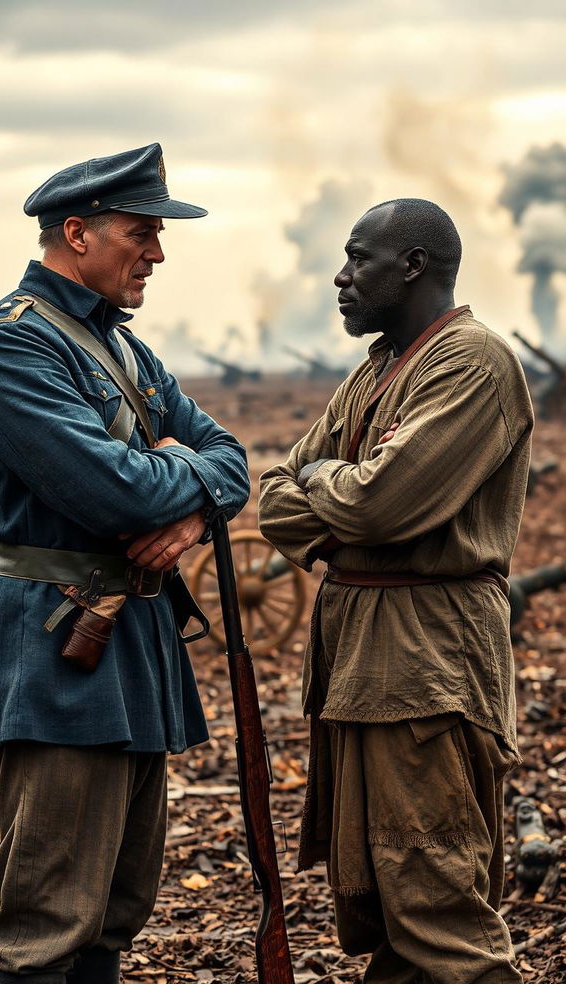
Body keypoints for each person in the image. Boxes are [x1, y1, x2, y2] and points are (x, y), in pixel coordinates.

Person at [0, 143, 250, 984]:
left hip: (128, 638)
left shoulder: (123, 348)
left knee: (114, 911)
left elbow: (231, 454)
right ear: (76, 234)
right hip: (56, 643)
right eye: (141, 233)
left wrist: (186, 509)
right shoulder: (12, 350)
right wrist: (183, 484)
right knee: (47, 921)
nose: (156, 253)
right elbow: (115, 494)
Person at [259, 198, 533, 983]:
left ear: (413, 266)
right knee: (383, 905)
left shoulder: (473, 364)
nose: (340, 279)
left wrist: (331, 487)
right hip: (360, 663)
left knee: (436, 904)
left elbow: (379, 503)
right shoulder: (377, 367)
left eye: (357, 260)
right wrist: (332, 494)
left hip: (425, 665)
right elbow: (276, 498)